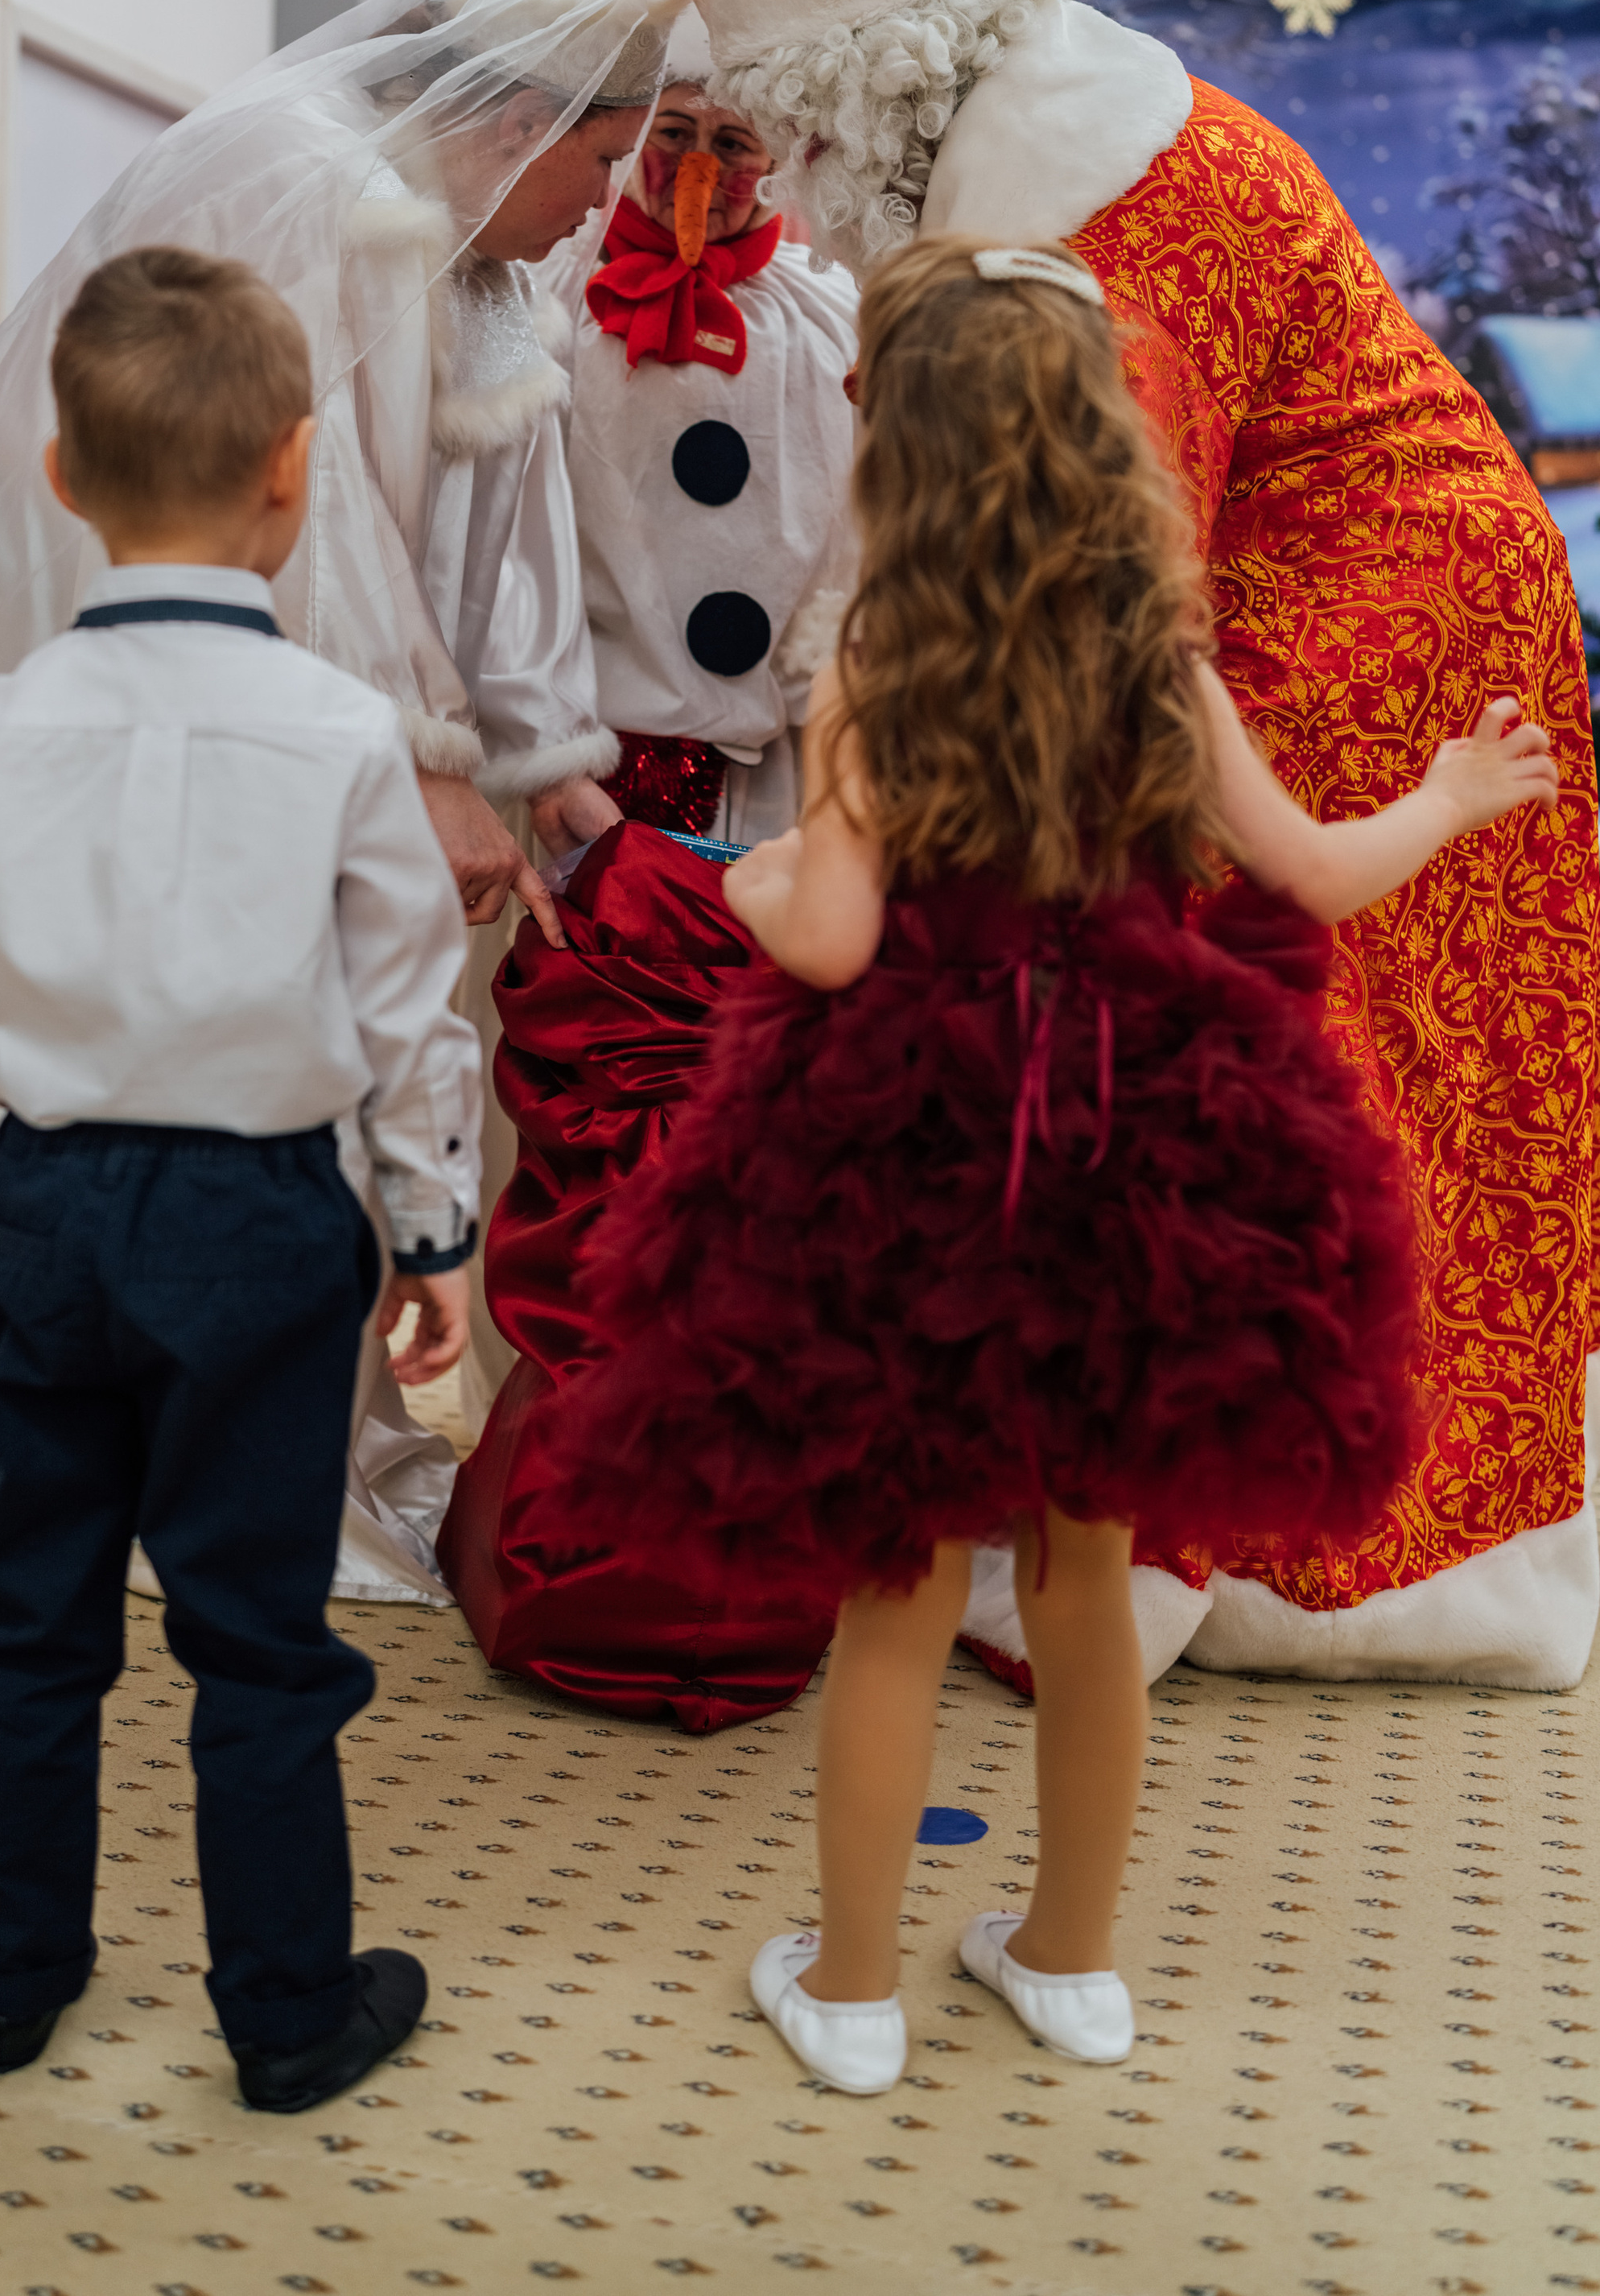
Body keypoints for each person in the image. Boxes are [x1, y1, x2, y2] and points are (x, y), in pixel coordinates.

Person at [532, 236, 1560, 2092]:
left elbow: (830, 932)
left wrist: (753, 878)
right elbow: (1310, 873)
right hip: (1133, 1147)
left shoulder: (878, 673)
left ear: (896, 452)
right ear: (1101, 440)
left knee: (896, 1584)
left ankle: (847, 1987)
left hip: (910, 1164)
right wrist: (1448, 796)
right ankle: (1069, 1957)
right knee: (1087, 1574)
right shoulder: (1161, 669)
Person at [691, 0, 1598, 1694]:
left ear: (858, 70)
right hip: (1316, 601)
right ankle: (1129, 1509)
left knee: (1235, 1051)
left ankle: (1204, 1532)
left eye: (776, 119)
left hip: (1372, 607)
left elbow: (1070, 589)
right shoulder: (1020, 156)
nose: (768, 168)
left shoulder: (1073, 219)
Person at [0, 0, 695, 1604]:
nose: (605, 201)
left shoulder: (478, 256)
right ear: (511, 114)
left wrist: (537, 757)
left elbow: (489, 536)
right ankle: (204, 1447)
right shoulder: (303, 185)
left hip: (288, 685)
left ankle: (345, 1429)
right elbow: (305, 517)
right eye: (599, 155)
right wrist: (428, 760)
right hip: (110, 649)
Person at [0, 248, 482, 2109]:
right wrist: (433, 1223)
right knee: (254, 1627)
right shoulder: (341, 733)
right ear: (294, 470)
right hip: (261, 1228)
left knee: (22, 1609)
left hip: (47, 1208)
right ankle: (288, 2009)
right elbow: (408, 1015)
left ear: (59, 473)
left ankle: (4, 1979)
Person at [439, 21, 860, 1723]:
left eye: (739, 138)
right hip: (581, 803)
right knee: (545, 1148)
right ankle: (537, 1475)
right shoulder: (530, 323)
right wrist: (536, 761)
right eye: (673, 131)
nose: (705, 170)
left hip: (762, 813)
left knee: (742, 1179)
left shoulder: (829, 332)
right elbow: (492, 567)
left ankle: (731, 1511)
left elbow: (842, 574)